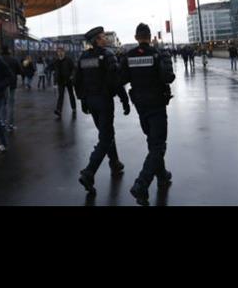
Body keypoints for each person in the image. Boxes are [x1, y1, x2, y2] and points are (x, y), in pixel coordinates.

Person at [120, 23, 176, 206]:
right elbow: (168, 77)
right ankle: (141, 184)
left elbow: (121, 79)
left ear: (136, 38)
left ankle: (162, 176)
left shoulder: (129, 56)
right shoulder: (158, 54)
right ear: (150, 36)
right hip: (157, 104)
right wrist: (165, 58)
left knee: (153, 142)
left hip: (140, 106)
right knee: (158, 145)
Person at [74, 26, 129, 195]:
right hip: (104, 101)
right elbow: (116, 80)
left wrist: (83, 101)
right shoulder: (107, 55)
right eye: (103, 36)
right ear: (97, 40)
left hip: (91, 102)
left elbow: (77, 80)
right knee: (105, 138)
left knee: (106, 133)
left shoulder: (83, 57)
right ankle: (89, 172)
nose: (106, 38)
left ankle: (115, 163)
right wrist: (124, 99)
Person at [0, 45, 22, 132]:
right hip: (12, 84)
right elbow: (20, 71)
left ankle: (2, 121)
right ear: (8, 51)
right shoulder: (14, 60)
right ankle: (10, 124)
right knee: (11, 104)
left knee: (2, 104)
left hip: (2, 85)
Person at [53, 47, 77, 119]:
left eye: (61, 51)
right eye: (58, 52)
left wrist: (72, 75)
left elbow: (74, 68)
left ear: (64, 52)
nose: (60, 53)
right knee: (60, 96)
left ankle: (74, 108)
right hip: (60, 81)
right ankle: (59, 110)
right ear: (57, 53)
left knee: (71, 94)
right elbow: (55, 72)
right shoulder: (56, 61)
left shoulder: (68, 60)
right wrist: (55, 81)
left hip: (68, 80)